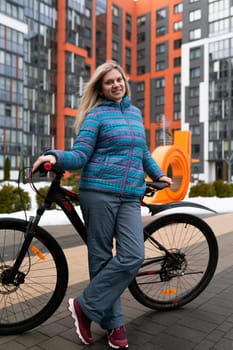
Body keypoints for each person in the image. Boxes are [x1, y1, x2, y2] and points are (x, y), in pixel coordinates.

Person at [32, 61, 172, 349]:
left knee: (132, 256)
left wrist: (157, 172)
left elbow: (142, 151)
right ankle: (115, 325)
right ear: (101, 88)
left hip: (130, 195)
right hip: (99, 193)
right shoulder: (96, 117)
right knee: (101, 259)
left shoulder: (134, 114)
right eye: (109, 82)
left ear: (124, 82)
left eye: (118, 79)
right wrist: (55, 157)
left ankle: (84, 307)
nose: (115, 85)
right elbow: (80, 154)